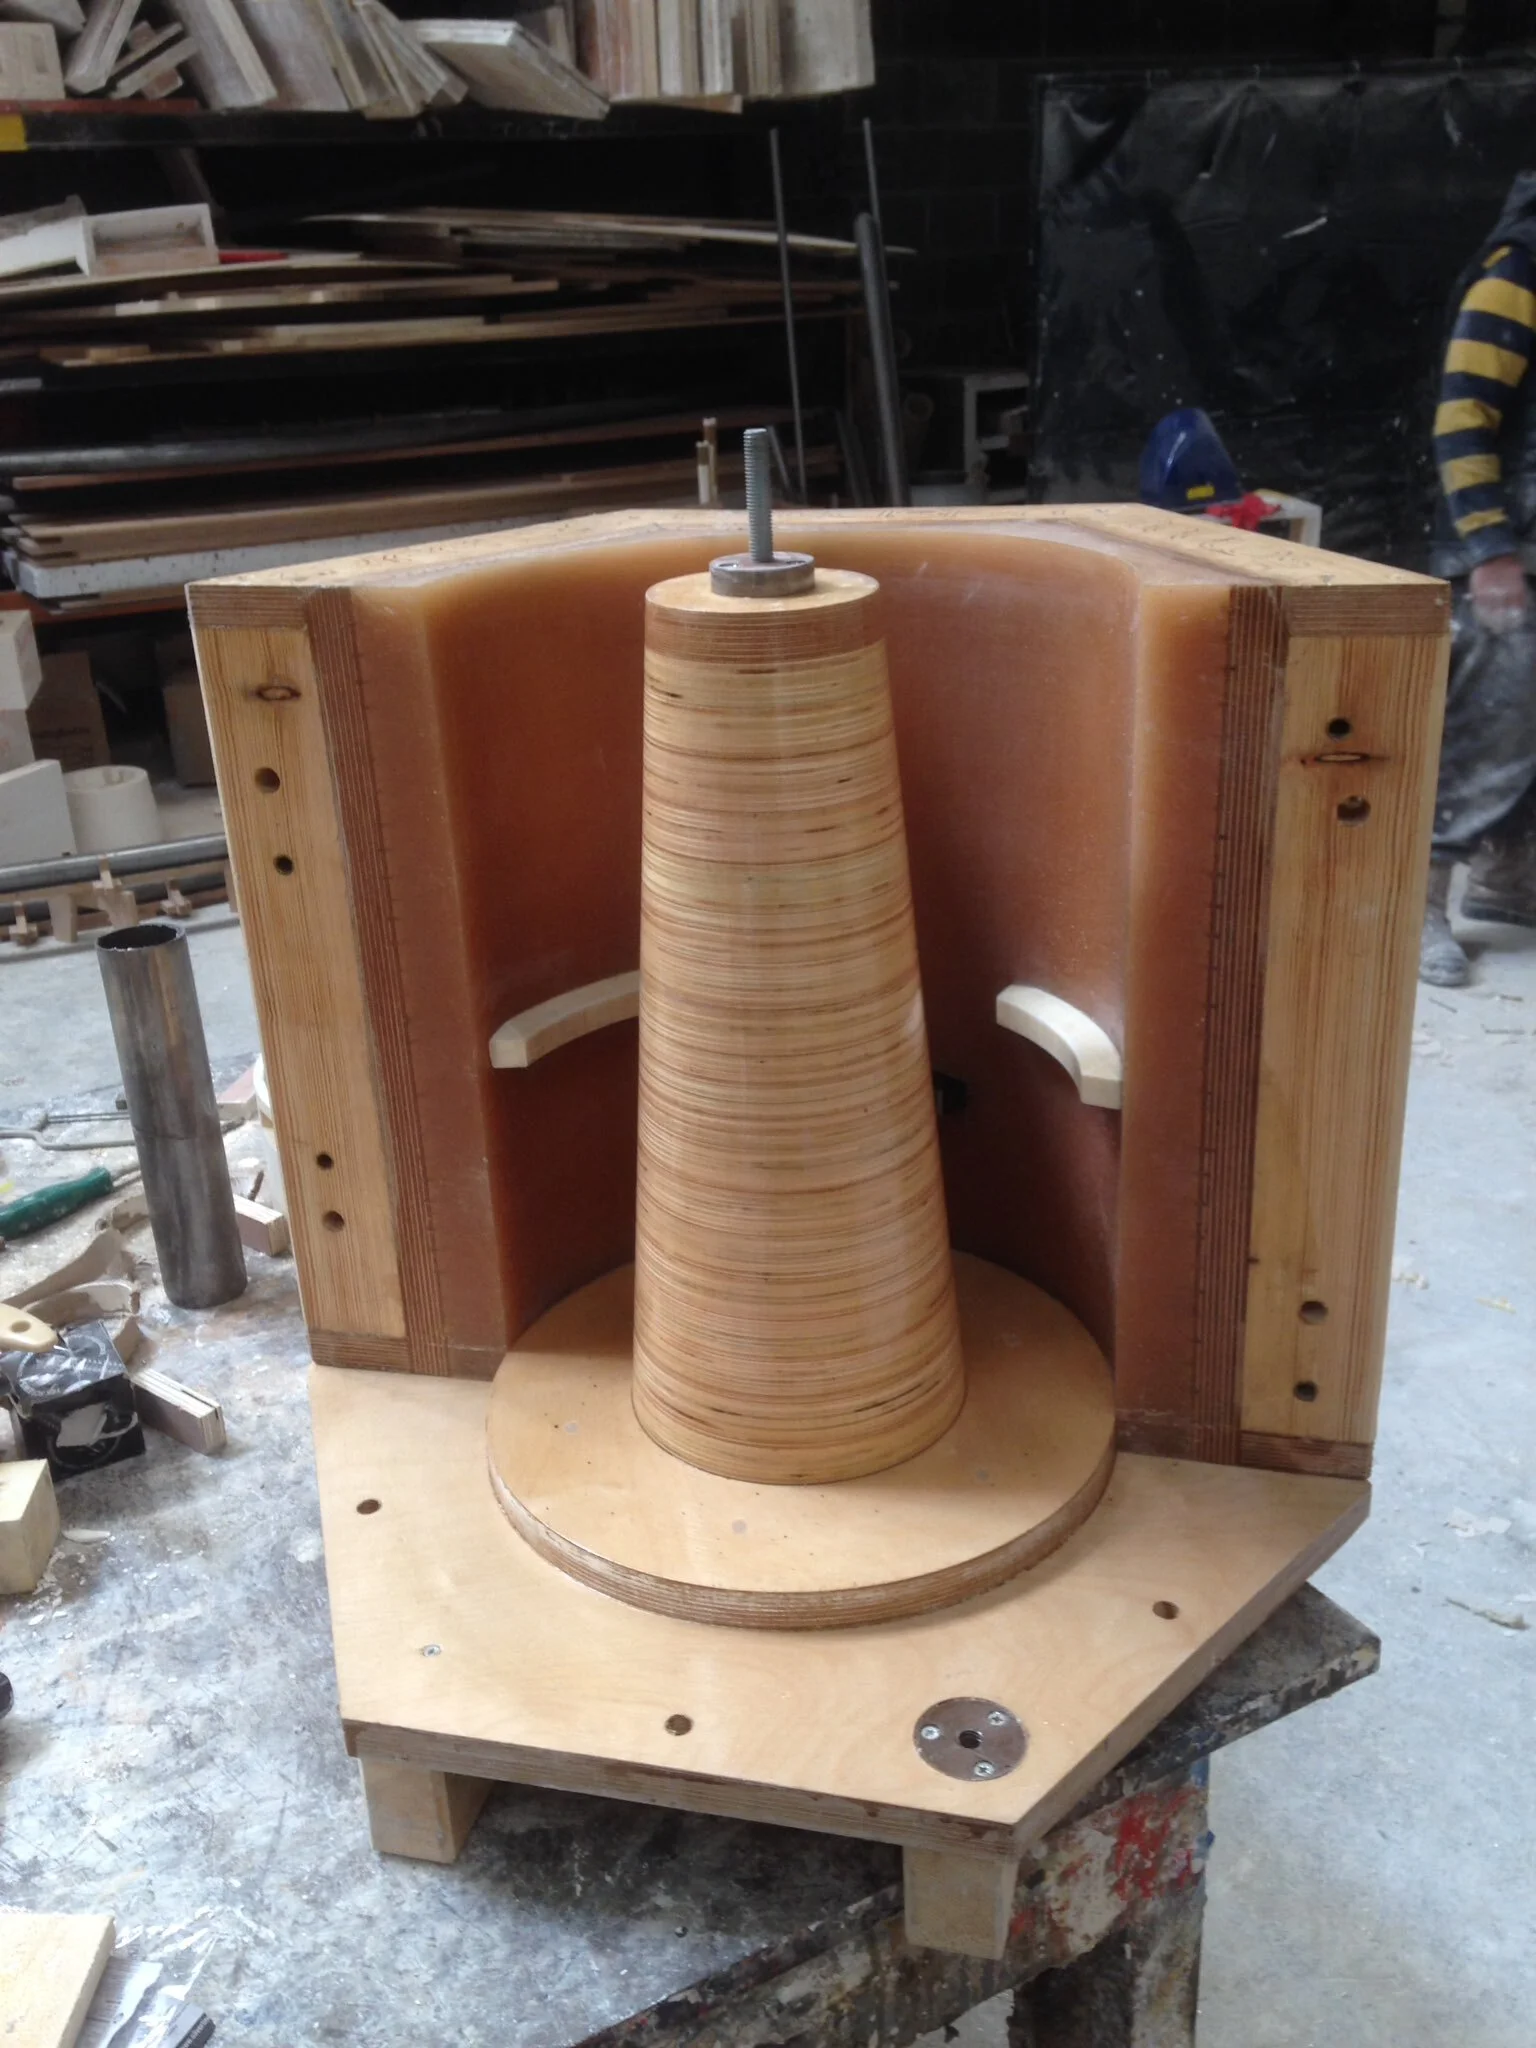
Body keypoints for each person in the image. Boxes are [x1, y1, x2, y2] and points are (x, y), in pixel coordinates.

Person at [1425, 171, 1536, 985]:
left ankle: (1508, 881)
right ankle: (1419, 901)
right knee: (1484, 730)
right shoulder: (1518, 274)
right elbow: (1462, 416)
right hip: (1506, 552)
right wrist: (1490, 551)